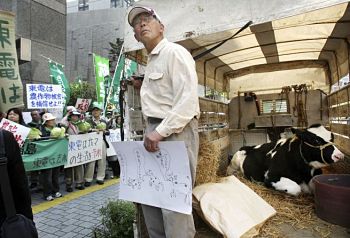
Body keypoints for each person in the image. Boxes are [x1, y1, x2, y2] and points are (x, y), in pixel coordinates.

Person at [128, 6, 200, 238]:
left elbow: (187, 102)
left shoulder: (175, 52)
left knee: (174, 204)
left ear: (161, 26)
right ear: (136, 36)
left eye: (147, 19)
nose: (142, 24)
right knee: (152, 197)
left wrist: (159, 132)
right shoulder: (151, 62)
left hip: (173, 131)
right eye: (137, 24)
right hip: (156, 130)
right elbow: (163, 95)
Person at [0, 128, 34, 227]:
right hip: (5, 220)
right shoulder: (4, 138)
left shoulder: (4, 138)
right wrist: (27, 222)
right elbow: (20, 185)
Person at [61, 107, 85, 192]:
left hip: (78, 148)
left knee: (79, 165)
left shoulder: (80, 124)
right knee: (69, 167)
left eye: (76, 116)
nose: (75, 117)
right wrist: (67, 114)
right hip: (69, 148)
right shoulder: (67, 124)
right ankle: (69, 184)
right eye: (73, 116)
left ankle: (79, 182)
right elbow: (62, 122)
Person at [84, 102, 108, 186]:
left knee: (102, 160)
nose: (95, 112)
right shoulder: (88, 121)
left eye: (97, 110)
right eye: (94, 111)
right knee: (91, 160)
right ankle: (88, 179)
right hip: (92, 143)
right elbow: (86, 130)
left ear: (100, 112)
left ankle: (100, 177)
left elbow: (108, 132)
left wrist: (105, 131)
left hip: (102, 141)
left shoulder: (104, 121)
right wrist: (94, 130)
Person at [40, 113, 62, 201]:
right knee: (47, 175)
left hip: (56, 155)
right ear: (46, 122)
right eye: (51, 120)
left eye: (53, 119)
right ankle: (47, 194)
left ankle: (56, 191)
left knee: (55, 174)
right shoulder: (41, 129)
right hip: (46, 155)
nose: (53, 121)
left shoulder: (57, 129)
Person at [27, 110, 42, 189]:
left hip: (43, 147)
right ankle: (34, 181)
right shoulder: (28, 125)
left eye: (36, 114)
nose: (34, 116)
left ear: (39, 115)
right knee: (34, 164)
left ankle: (42, 183)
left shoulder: (43, 124)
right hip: (33, 147)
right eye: (32, 115)